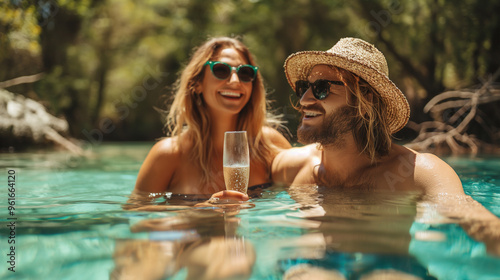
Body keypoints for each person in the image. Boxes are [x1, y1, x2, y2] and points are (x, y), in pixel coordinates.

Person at [132, 37, 291, 196]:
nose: (235, 81)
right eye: (221, 70)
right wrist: (206, 210)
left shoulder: (269, 145)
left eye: (245, 73)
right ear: (197, 83)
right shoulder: (168, 154)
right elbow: (137, 214)